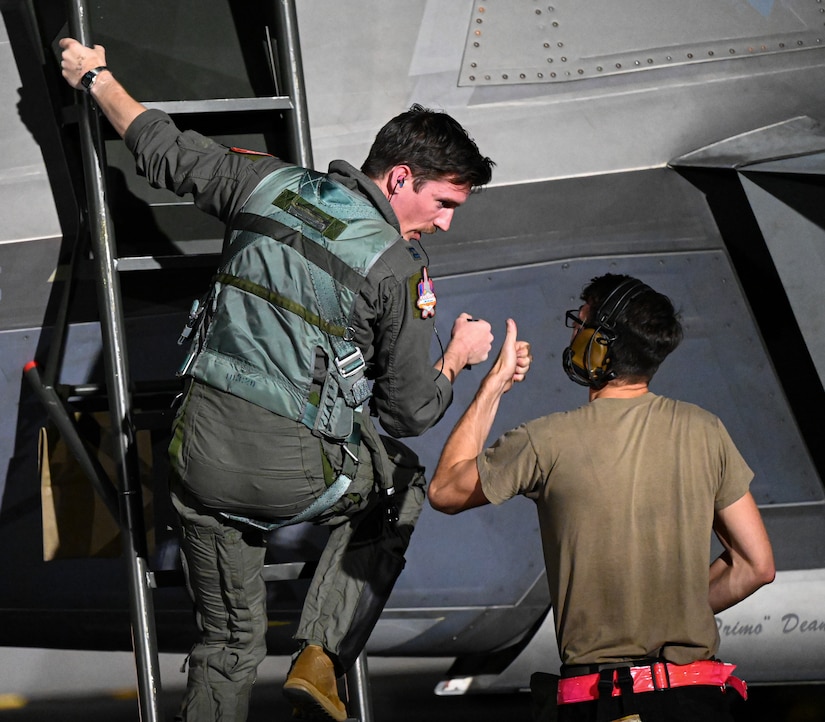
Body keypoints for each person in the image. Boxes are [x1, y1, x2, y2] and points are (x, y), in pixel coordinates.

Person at [59, 38, 496, 722]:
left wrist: (96, 76)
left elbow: (160, 147)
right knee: (401, 482)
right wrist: (457, 358)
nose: (442, 222)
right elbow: (409, 412)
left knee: (228, 641)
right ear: (399, 178)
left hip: (197, 466)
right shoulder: (395, 268)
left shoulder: (265, 182)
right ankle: (321, 656)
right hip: (294, 474)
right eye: (444, 203)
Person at [428, 273, 776, 722]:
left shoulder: (547, 440)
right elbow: (756, 566)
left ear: (602, 342)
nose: (574, 332)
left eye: (581, 322)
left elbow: (445, 490)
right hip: (699, 700)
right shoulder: (706, 431)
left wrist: (494, 385)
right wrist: (671, 613)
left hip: (607, 702)